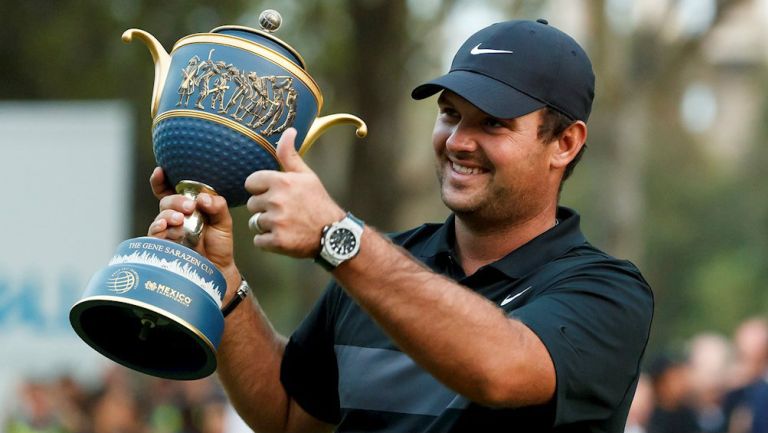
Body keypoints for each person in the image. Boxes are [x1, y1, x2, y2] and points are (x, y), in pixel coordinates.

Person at [148, 19, 654, 432]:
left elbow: (500, 368)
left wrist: (336, 236)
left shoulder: (607, 292)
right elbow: (287, 416)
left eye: (493, 124)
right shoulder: (373, 265)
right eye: (451, 114)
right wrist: (223, 280)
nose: (458, 141)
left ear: (564, 143)